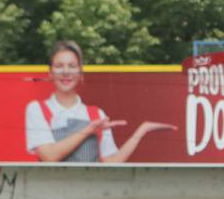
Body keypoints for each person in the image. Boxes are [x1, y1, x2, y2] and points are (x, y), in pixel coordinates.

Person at [25, 39, 172, 164]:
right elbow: (49, 156)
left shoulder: (96, 114)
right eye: (59, 66)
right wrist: (88, 130)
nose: (66, 72)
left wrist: (142, 130)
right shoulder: (36, 109)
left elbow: (111, 163)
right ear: (50, 73)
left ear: (81, 73)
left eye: (72, 66)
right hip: (51, 191)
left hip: (88, 193)